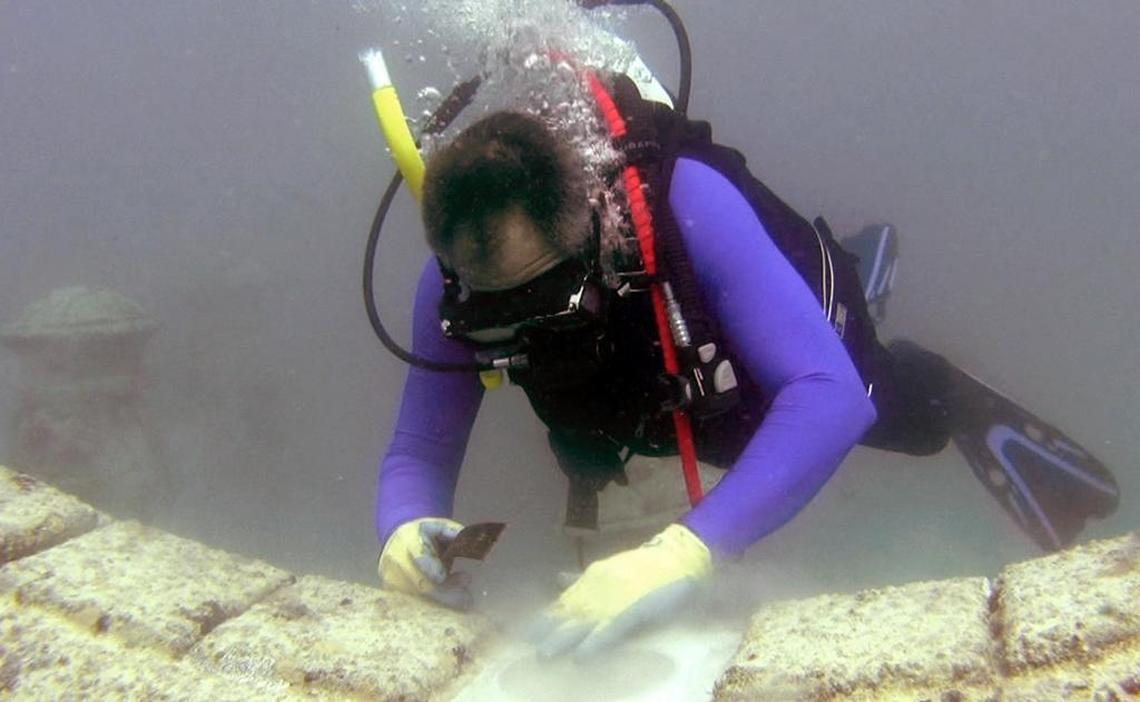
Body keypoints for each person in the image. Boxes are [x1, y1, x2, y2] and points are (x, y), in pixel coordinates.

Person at [373, 67, 1119, 659]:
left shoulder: (682, 206)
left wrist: (686, 553)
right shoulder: (453, 285)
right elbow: (420, 445)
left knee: (890, 403)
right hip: (643, 414)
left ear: (591, 231)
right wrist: (403, 530)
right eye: (491, 316)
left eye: (547, 302)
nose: (516, 335)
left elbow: (827, 397)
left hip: (749, 375)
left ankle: (910, 346)